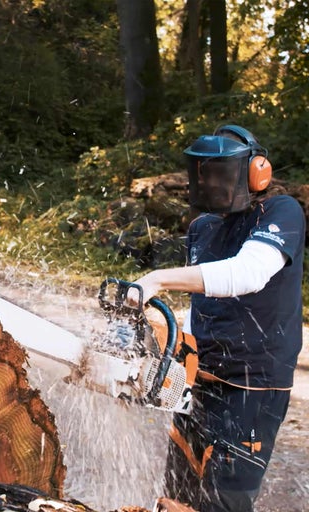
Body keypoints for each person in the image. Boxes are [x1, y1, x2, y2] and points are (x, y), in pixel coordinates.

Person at [130, 125, 305, 512]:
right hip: (202, 377)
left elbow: (245, 275)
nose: (210, 182)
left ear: (255, 171)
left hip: (251, 386)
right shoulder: (203, 227)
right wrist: (175, 358)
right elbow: (203, 304)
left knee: (222, 502)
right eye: (204, 172)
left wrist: (157, 279)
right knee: (178, 495)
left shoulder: (280, 212)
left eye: (221, 172)